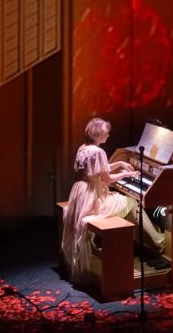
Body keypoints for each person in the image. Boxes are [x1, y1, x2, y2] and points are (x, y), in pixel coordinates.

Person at [60, 117, 166, 285]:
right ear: (98, 134)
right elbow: (107, 179)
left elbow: (99, 169)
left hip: (80, 194)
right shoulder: (99, 152)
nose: (108, 135)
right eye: (106, 133)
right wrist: (127, 174)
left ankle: (139, 242)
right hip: (93, 198)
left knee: (125, 201)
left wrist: (120, 163)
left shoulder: (83, 148)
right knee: (131, 202)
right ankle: (157, 241)